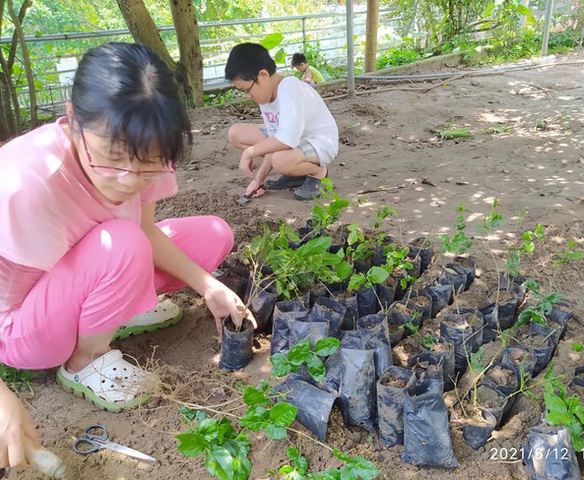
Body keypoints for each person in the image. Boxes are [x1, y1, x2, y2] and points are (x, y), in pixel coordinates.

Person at [0, 42, 256, 471]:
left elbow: (146, 229)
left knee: (213, 234)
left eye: (150, 162)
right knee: (120, 242)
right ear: (73, 118)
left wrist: (209, 286)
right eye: (112, 157)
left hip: (93, 266)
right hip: (22, 325)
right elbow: (128, 237)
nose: (129, 180)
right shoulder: (24, 182)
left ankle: (107, 311)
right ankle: (85, 361)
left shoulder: (145, 144)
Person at [225, 43, 339, 201]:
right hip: (295, 142)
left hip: (319, 142)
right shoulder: (265, 97)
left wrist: (249, 152)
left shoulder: (289, 87)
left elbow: (286, 140)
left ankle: (318, 173)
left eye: (247, 89)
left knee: (280, 160)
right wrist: (259, 180)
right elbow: (274, 141)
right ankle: (296, 173)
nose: (248, 95)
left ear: (263, 75)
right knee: (236, 133)